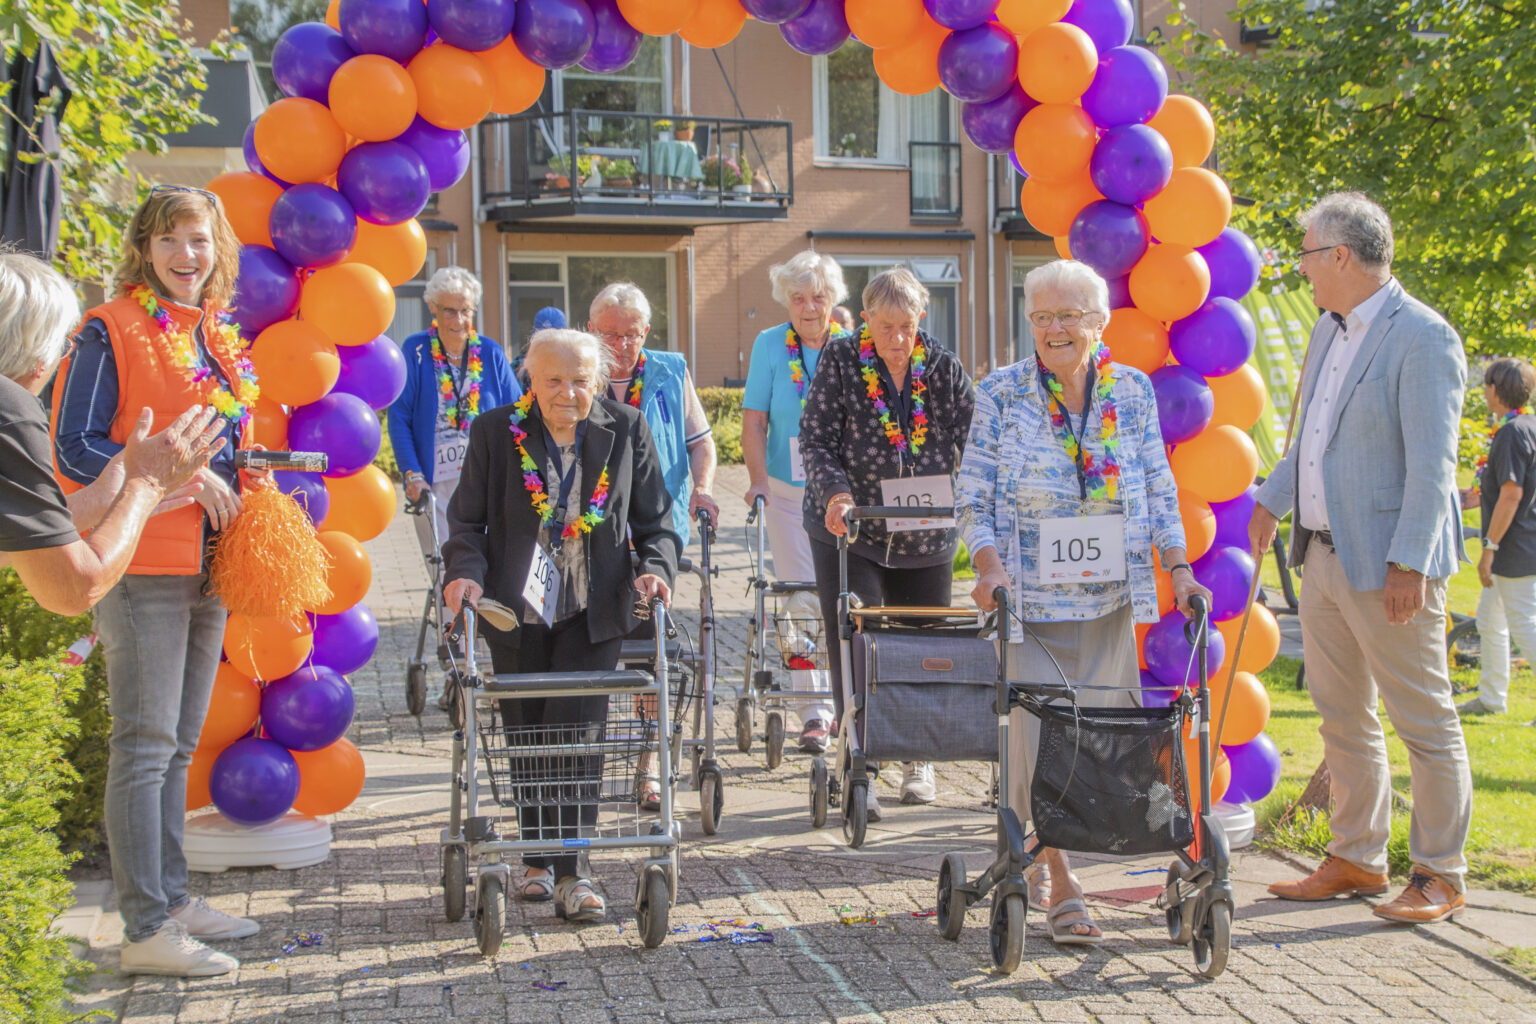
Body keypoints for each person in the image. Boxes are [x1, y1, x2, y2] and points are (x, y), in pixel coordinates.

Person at [957, 259, 1208, 946]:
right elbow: (972, 494)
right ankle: (1062, 879)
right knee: (1035, 746)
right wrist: (988, 565)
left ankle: (1055, 857)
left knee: (1097, 742)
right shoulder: (1002, 393)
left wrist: (1179, 569)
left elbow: (1156, 487)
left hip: (1106, 603)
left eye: (1069, 316)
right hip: (1026, 602)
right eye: (1042, 316)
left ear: (1099, 323)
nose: (1055, 329)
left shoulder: (1130, 391)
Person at [51, 186, 268, 977]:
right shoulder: (107, 330)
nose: (188, 255)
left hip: (208, 560)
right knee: (143, 746)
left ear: (219, 251)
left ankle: (171, 899)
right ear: (145, 247)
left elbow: (218, 444)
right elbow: (69, 450)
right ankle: (144, 928)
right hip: (138, 560)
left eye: (201, 241)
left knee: (176, 745)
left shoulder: (211, 334)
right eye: (172, 240)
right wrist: (174, 489)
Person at [1249, 192, 1472, 924]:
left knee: (1423, 721)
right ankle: (1357, 858)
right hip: (1323, 558)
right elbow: (1311, 439)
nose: (1301, 270)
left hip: (1390, 566)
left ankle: (1440, 872)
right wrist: (1266, 504)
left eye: (1307, 255)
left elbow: (1434, 466)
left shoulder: (1424, 337)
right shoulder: (1327, 331)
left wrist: (1410, 562)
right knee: (1343, 717)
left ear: (1339, 256)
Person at [442, 328, 680, 924]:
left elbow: (656, 521)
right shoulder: (496, 431)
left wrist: (655, 568)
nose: (567, 393)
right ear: (531, 380)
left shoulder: (623, 428)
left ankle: (575, 870)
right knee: (527, 732)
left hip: (592, 608)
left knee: (578, 733)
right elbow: (467, 523)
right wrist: (463, 576)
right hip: (514, 611)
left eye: (579, 380)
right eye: (553, 380)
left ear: (596, 381)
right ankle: (534, 861)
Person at [798, 267, 975, 811]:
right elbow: (816, 439)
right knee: (858, 644)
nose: (898, 339)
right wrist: (835, 495)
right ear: (866, 320)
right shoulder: (843, 360)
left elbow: (978, 437)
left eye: (907, 325)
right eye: (886, 326)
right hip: (853, 531)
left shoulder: (941, 365)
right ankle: (860, 763)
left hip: (926, 535)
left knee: (922, 647)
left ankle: (916, 758)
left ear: (921, 317)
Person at [0, 252, 222, 613]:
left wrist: (103, 499)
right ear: (38, 350)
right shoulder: (10, 408)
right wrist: (145, 485)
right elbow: (74, 590)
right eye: (64, 346)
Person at [588, 282, 717, 810]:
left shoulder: (669, 369)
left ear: (647, 332)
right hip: (590, 533)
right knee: (593, 641)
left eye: (631, 334)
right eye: (609, 334)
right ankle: (585, 759)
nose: (620, 345)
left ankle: (647, 767)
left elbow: (699, 442)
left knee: (650, 645)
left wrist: (705, 487)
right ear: (590, 330)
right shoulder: (577, 368)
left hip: (654, 529)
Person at [742, 249, 851, 752]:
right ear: (786, 301)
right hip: (787, 496)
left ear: (834, 300)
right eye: (798, 298)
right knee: (797, 600)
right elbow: (755, 421)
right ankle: (812, 711)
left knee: (845, 596)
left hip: (841, 498)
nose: (809, 307)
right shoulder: (769, 345)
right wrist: (758, 479)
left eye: (819, 297)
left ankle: (850, 704)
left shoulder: (853, 348)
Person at [388, 266, 521, 548]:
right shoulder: (416, 351)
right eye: (449, 311)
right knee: (444, 568)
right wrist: (412, 474)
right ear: (433, 308)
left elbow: (518, 416)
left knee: (486, 566)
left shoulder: (490, 352)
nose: (458, 320)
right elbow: (400, 418)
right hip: (434, 483)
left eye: (466, 311)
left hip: (484, 479)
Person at [1461, 358, 1536, 719]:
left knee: (1524, 625)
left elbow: (1511, 495)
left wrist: (1489, 548)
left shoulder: (1510, 433)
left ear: (1495, 390)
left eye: (1487, 385)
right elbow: (1489, 491)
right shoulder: (1526, 426)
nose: (1484, 391)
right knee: (1491, 621)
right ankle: (1491, 698)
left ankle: (1492, 697)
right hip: (1521, 541)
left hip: (1514, 547)